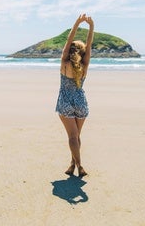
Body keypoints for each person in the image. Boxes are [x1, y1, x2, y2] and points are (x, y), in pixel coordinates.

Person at [55, 14, 94, 177]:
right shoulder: (84, 65)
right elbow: (89, 44)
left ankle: (79, 166)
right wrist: (91, 26)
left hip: (65, 101)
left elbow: (67, 42)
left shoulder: (64, 63)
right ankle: (72, 164)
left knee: (72, 136)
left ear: (69, 50)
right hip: (80, 102)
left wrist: (77, 23)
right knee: (76, 136)